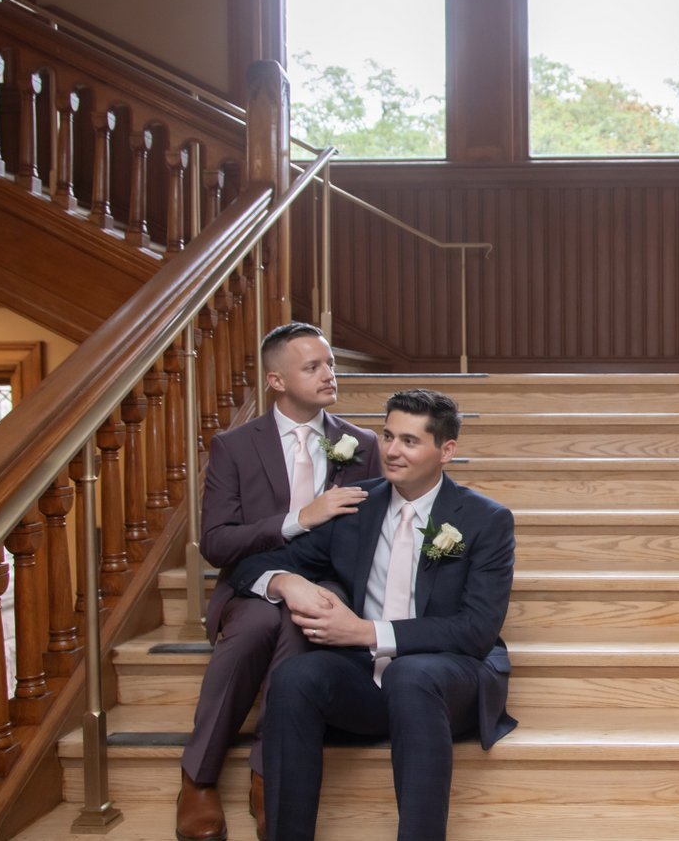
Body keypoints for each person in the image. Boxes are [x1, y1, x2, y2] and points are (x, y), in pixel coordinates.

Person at [232, 388, 517, 841]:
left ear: (446, 451)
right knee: (293, 677)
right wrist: (286, 582)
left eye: (408, 441)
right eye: (387, 436)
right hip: (366, 681)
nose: (390, 450)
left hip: (449, 682)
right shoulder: (355, 506)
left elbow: (476, 631)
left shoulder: (486, 519)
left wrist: (365, 631)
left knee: (412, 676)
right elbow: (250, 564)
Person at [176, 322, 381, 841]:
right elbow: (218, 543)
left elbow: (370, 538)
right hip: (251, 583)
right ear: (276, 380)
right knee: (252, 628)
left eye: (330, 362)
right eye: (312, 367)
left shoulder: (360, 444)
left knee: (302, 625)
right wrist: (299, 519)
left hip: (329, 584)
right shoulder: (235, 447)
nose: (328, 374)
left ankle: (271, 774)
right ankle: (197, 777)